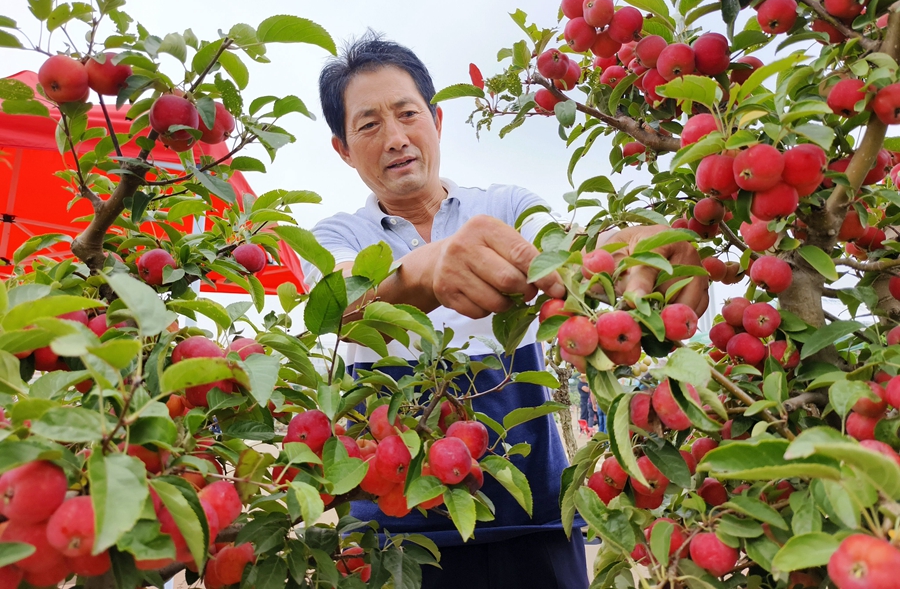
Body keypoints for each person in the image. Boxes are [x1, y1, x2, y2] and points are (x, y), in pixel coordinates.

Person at [303, 33, 708, 588]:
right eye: (369, 125)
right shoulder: (335, 235)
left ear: (437, 120)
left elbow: (571, 250)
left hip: (533, 517)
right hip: (398, 536)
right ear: (343, 149)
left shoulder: (506, 206)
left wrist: (640, 246)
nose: (395, 138)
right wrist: (424, 270)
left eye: (407, 114)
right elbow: (339, 302)